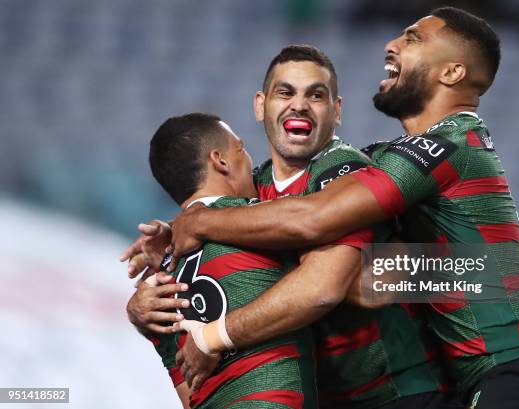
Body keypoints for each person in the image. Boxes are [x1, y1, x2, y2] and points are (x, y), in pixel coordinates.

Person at [164, 8, 519, 409]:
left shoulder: (447, 144)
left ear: (453, 71)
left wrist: (202, 225)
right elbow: (376, 276)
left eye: (413, 38)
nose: (391, 43)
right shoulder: (394, 158)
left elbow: (314, 221)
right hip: (483, 382)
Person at [123, 45, 456, 409]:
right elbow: (221, 212)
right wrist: (145, 300)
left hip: (396, 394)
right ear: (260, 105)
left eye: (316, 94)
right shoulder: (255, 190)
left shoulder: (347, 175)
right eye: (286, 92)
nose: (299, 104)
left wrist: (211, 337)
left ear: (337, 111)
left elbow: (322, 286)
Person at [136, 112, 318, 409]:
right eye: (240, 149)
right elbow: (324, 243)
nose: (249, 160)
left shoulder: (154, 289)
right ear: (220, 161)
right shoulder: (265, 222)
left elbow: (189, 396)